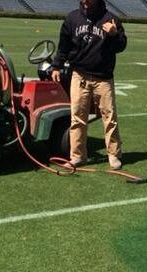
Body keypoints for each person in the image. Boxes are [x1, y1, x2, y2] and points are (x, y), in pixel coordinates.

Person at [51, 0, 127, 170]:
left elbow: (122, 46)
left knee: (109, 118)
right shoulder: (72, 18)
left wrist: (115, 35)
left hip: (103, 77)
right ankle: (77, 156)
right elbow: (64, 45)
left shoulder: (111, 19)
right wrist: (57, 65)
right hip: (79, 75)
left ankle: (114, 155)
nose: (85, 2)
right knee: (77, 117)